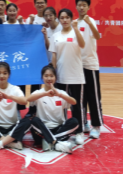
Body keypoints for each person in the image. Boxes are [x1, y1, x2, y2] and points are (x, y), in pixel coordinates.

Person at [49, 8, 86, 146]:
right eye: (62, 18)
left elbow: (82, 45)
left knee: (77, 105)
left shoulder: (77, 32)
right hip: (61, 75)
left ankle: (79, 131)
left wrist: (76, 29)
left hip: (76, 75)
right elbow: (54, 56)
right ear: (59, 19)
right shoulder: (55, 35)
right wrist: (52, 74)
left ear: (71, 19)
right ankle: (63, 131)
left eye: (67, 17)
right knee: (61, 106)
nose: (64, 20)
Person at [28, 65, 79, 154]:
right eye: (46, 76)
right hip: (42, 130)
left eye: (51, 76)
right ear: (42, 78)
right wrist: (45, 94)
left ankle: (49, 140)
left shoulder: (61, 93)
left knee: (74, 121)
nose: (49, 78)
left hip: (59, 129)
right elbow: (28, 99)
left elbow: (74, 102)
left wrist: (59, 95)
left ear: (55, 78)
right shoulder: (38, 93)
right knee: (34, 120)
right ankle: (57, 143)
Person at [75, 0, 103, 139]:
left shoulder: (90, 21)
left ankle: (96, 125)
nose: (81, 7)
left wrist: (89, 23)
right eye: (79, 5)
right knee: (82, 97)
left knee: (94, 96)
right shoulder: (74, 23)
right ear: (76, 6)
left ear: (88, 7)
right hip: (77, 65)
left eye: (84, 5)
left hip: (90, 64)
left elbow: (97, 36)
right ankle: (84, 122)